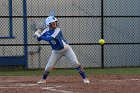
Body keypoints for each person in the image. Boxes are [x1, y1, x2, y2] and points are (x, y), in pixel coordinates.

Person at [34, 16, 90, 84]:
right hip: (56, 51)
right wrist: (37, 33)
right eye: (53, 23)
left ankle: (85, 78)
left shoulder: (58, 30)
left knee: (75, 63)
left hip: (66, 49)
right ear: (49, 24)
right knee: (48, 67)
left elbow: (49, 39)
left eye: (55, 23)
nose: (55, 24)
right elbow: (39, 39)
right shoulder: (46, 30)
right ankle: (43, 80)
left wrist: (39, 35)